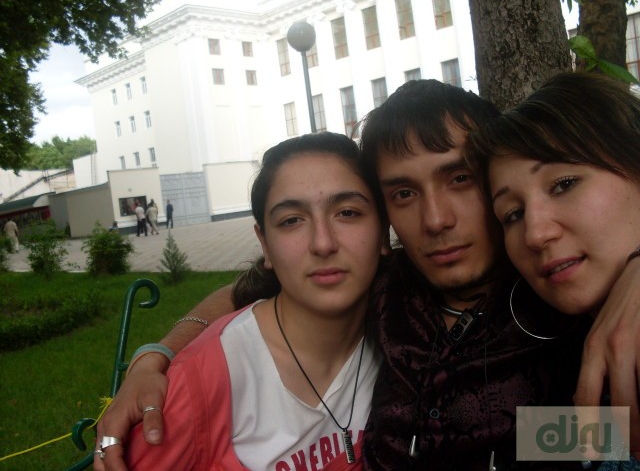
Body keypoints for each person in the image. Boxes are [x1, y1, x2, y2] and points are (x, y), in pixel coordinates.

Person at [95, 80, 640, 471]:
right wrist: (155, 357)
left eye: (460, 179)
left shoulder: (559, 299)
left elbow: (606, 438)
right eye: (403, 193)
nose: (435, 220)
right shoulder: (386, 289)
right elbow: (246, 292)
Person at [119, 132, 385, 469]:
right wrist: (152, 356)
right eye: (291, 220)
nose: (323, 243)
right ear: (265, 244)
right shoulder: (204, 382)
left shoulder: (406, 330)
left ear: (383, 229)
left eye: (347, 213)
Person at [468, 71, 640, 459]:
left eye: (564, 184)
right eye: (512, 214)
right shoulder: (559, 365)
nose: (535, 234)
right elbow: (588, 444)